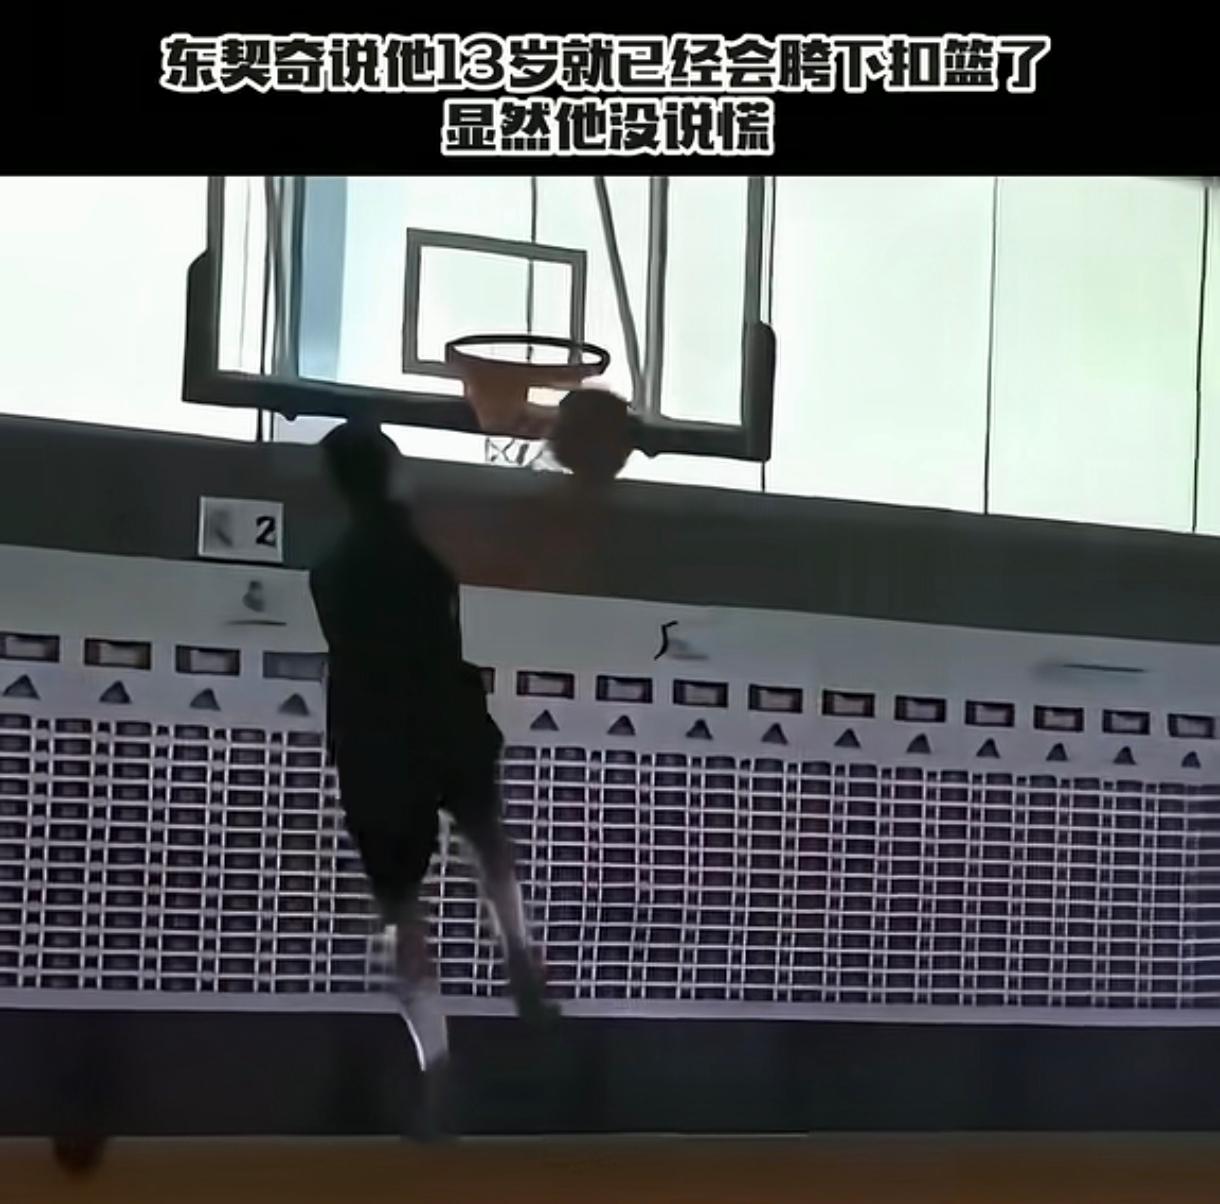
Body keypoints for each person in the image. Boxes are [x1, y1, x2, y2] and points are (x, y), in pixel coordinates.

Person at [308, 420, 556, 1120]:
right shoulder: (426, 562)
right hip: (443, 716)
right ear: (390, 474)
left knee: (401, 911)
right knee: (487, 836)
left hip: (374, 741)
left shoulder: (329, 573)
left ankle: (435, 1061)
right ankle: (517, 946)